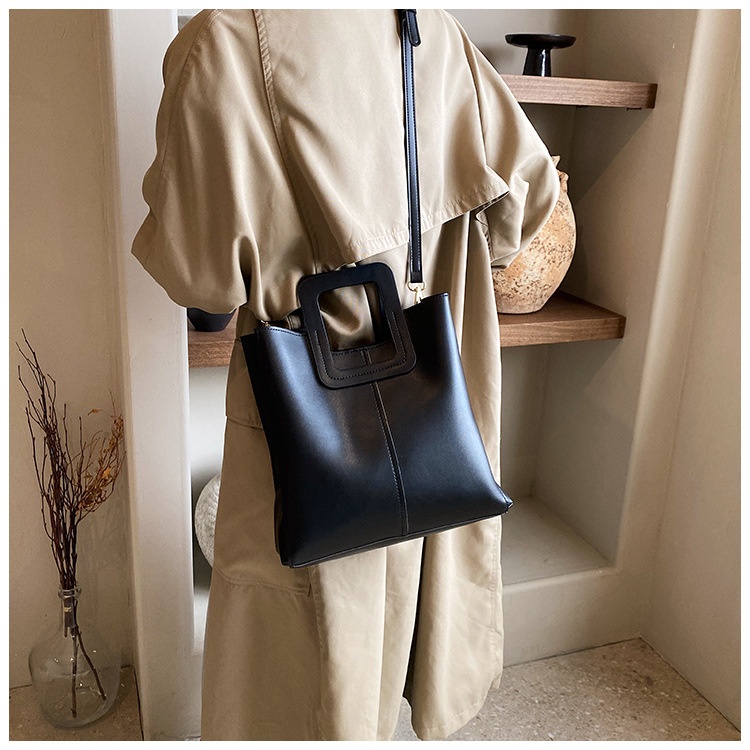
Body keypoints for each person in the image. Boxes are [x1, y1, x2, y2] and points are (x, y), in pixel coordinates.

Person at [132, 9, 558, 741]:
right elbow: (526, 203)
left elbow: (199, 277)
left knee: (307, 666)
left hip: (311, 421)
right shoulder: (431, 29)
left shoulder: (221, 43)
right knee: (400, 619)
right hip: (436, 402)